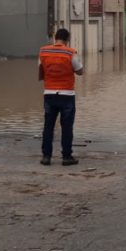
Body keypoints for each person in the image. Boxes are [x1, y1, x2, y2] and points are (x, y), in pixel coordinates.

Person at [38, 28, 84, 166]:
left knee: (48, 126)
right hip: (67, 94)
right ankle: (66, 157)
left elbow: (40, 71)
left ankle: (46, 157)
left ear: (55, 38)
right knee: (67, 127)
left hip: (49, 94)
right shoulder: (70, 52)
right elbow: (80, 71)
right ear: (67, 39)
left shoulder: (43, 51)